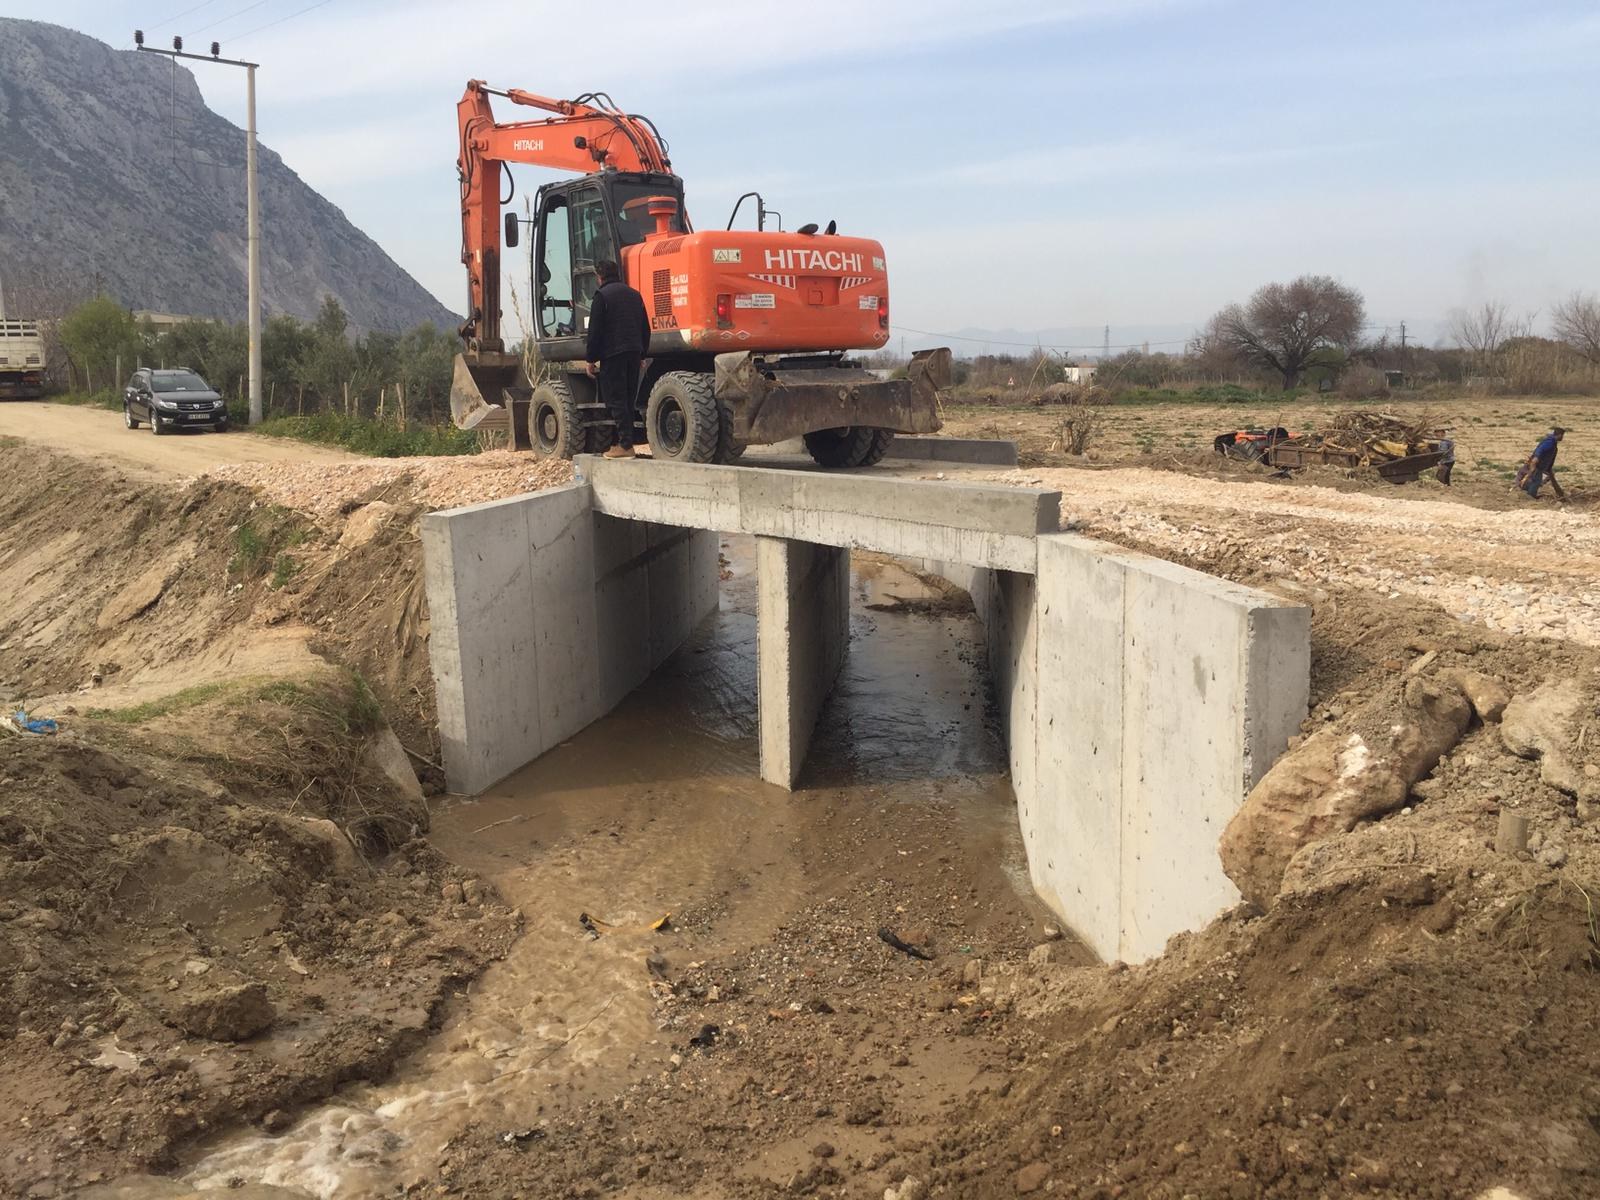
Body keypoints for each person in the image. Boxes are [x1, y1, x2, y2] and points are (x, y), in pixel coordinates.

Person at [584, 260, 651, 458]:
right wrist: (642, 354)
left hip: (613, 355)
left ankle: (625, 445)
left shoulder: (602, 296)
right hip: (633, 353)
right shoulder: (634, 295)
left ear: (599, 277)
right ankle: (626, 443)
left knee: (616, 399)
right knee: (629, 399)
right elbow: (645, 328)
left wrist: (590, 359)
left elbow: (595, 332)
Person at [1520, 426, 1566, 500]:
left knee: (1539, 479)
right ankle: (1530, 497)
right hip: (1537, 466)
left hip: (1543, 467)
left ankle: (1526, 492)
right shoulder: (1550, 442)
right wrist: (1535, 461)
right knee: (1536, 481)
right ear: (1560, 435)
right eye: (1562, 435)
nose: (1563, 438)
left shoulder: (1552, 442)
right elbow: (1540, 451)